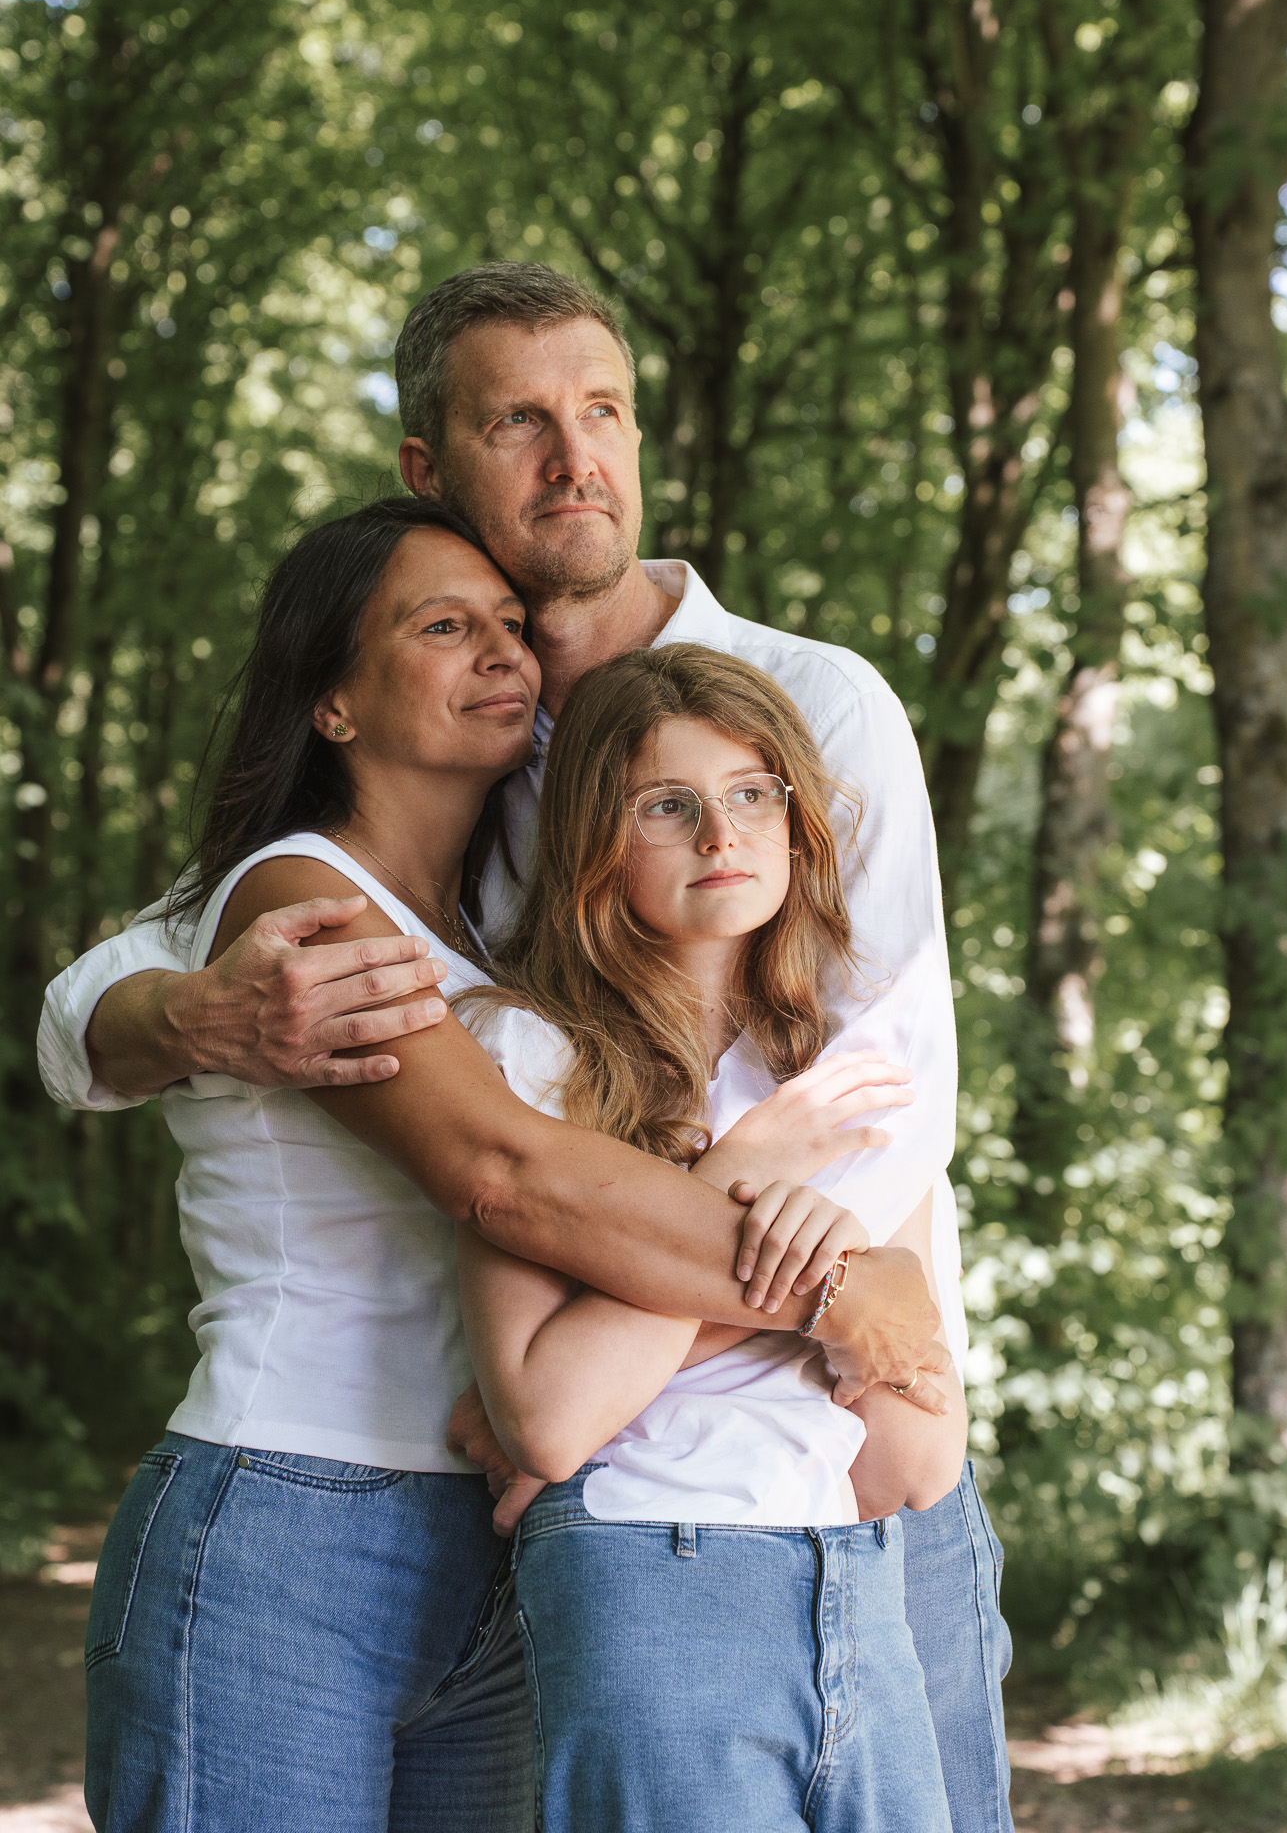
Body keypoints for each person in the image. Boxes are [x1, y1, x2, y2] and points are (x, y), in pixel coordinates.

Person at [39, 261, 1013, 1833]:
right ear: (431, 465)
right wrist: (171, 1015)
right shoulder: (464, 791)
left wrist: (847, 1347)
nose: (576, 459)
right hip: (593, 1507)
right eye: (520, 422)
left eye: (604, 411)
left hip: (842, 1452)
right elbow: (148, 985)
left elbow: (889, 1109)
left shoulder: (810, 710)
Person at [456, 641, 966, 1831]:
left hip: (849, 1573)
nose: (722, 833)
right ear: (593, 837)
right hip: (651, 1569)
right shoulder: (532, 1055)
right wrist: (745, 1186)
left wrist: (856, 1287)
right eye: (668, 806)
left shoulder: (846, 1083)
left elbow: (915, 1460)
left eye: (751, 793)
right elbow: (554, 1414)